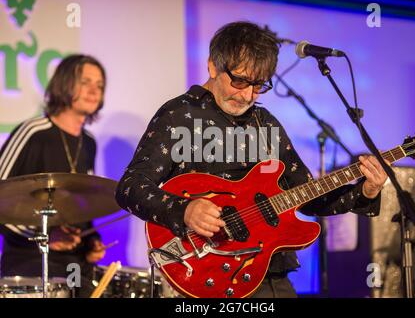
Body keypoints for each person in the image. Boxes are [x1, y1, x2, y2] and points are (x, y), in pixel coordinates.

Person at [115, 21, 388, 298]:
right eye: (240, 81)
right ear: (213, 67)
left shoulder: (266, 124)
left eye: (258, 86)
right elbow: (130, 187)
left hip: (268, 275)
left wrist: (365, 191)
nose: (247, 95)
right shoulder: (178, 116)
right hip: (204, 269)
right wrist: (183, 210)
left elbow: (309, 196)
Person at [0, 54, 107, 297]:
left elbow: (83, 207)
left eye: (99, 85)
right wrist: (45, 236)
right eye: (85, 82)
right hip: (29, 262)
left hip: (75, 263)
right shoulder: (34, 132)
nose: (94, 90)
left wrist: (92, 241)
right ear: (64, 83)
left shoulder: (89, 142)